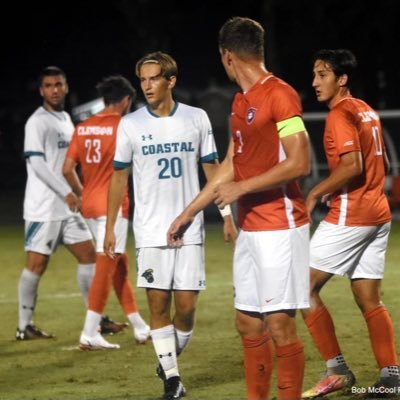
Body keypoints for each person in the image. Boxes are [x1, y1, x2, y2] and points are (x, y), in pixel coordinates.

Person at [168, 17, 311, 400]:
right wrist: (189, 212)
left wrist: (241, 187)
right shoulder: (240, 102)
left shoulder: (280, 95)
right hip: (250, 228)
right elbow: (231, 164)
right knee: (247, 322)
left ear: (227, 56)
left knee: (280, 326)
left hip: (280, 226)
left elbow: (300, 163)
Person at [104, 51, 237, 400]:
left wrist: (226, 216)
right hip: (150, 231)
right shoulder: (131, 124)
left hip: (189, 228)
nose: (146, 86)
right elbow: (119, 177)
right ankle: (173, 381)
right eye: (142, 80)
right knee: (158, 306)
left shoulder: (196, 118)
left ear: (171, 80)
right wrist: (111, 227)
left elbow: (213, 171)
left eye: (153, 79)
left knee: (187, 310)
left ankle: (167, 359)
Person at [300, 49, 399, 399]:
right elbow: (381, 161)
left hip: (353, 214)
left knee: (301, 287)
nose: (315, 82)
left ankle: (337, 370)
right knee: (368, 297)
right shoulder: (366, 109)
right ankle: (391, 376)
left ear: (341, 79)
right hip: (378, 213)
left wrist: (317, 192)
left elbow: (353, 165)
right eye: (314, 74)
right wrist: (341, 187)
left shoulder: (340, 113)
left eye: (323, 74)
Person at [18, 66, 127, 341]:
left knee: (90, 256)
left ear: (65, 87)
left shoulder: (66, 119)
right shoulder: (37, 122)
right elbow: (37, 164)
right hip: (43, 208)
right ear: (42, 90)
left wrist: (79, 193)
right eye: (48, 86)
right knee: (36, 265)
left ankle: (96, 319)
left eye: (59, 84)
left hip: (70, 207)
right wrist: (65, 192)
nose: (54, 90)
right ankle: (24, 326)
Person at [63, 75, 151, 350]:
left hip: (89, 207)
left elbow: (67, 169)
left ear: (104, 100)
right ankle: (90, 332)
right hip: (113, 208)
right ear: (126, 100)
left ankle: (139, 326)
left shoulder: (84, 127)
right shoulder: (124, 127)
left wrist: (80, 192)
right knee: (106, 266)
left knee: (118, 265)